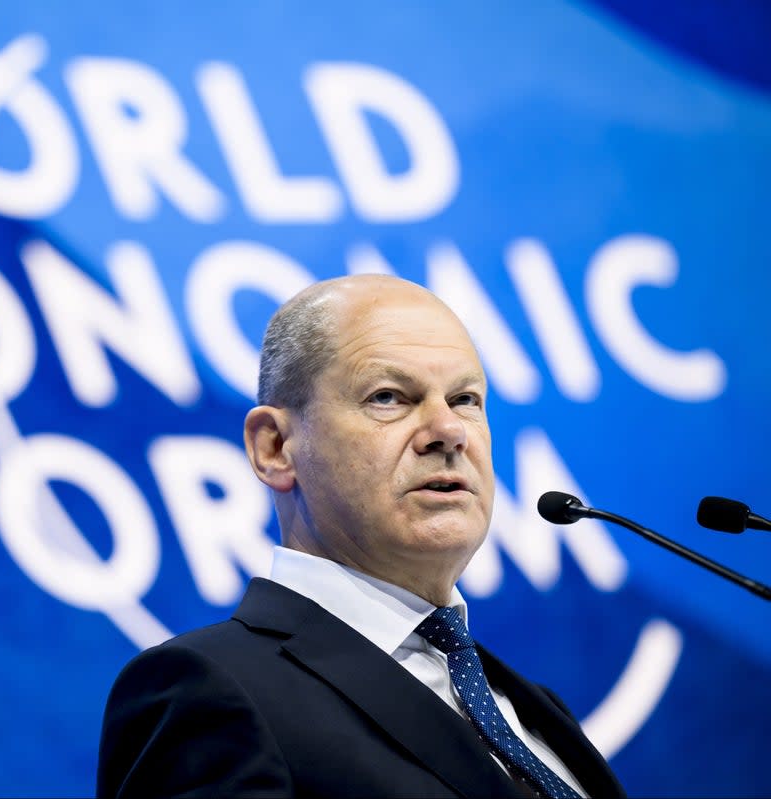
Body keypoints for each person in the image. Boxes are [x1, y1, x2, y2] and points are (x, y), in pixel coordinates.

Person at [96, 275, 626, 798]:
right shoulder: (209, 691)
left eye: (465, 399)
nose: (448, 431)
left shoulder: (534, 708)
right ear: (276, 447)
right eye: (389, 397)